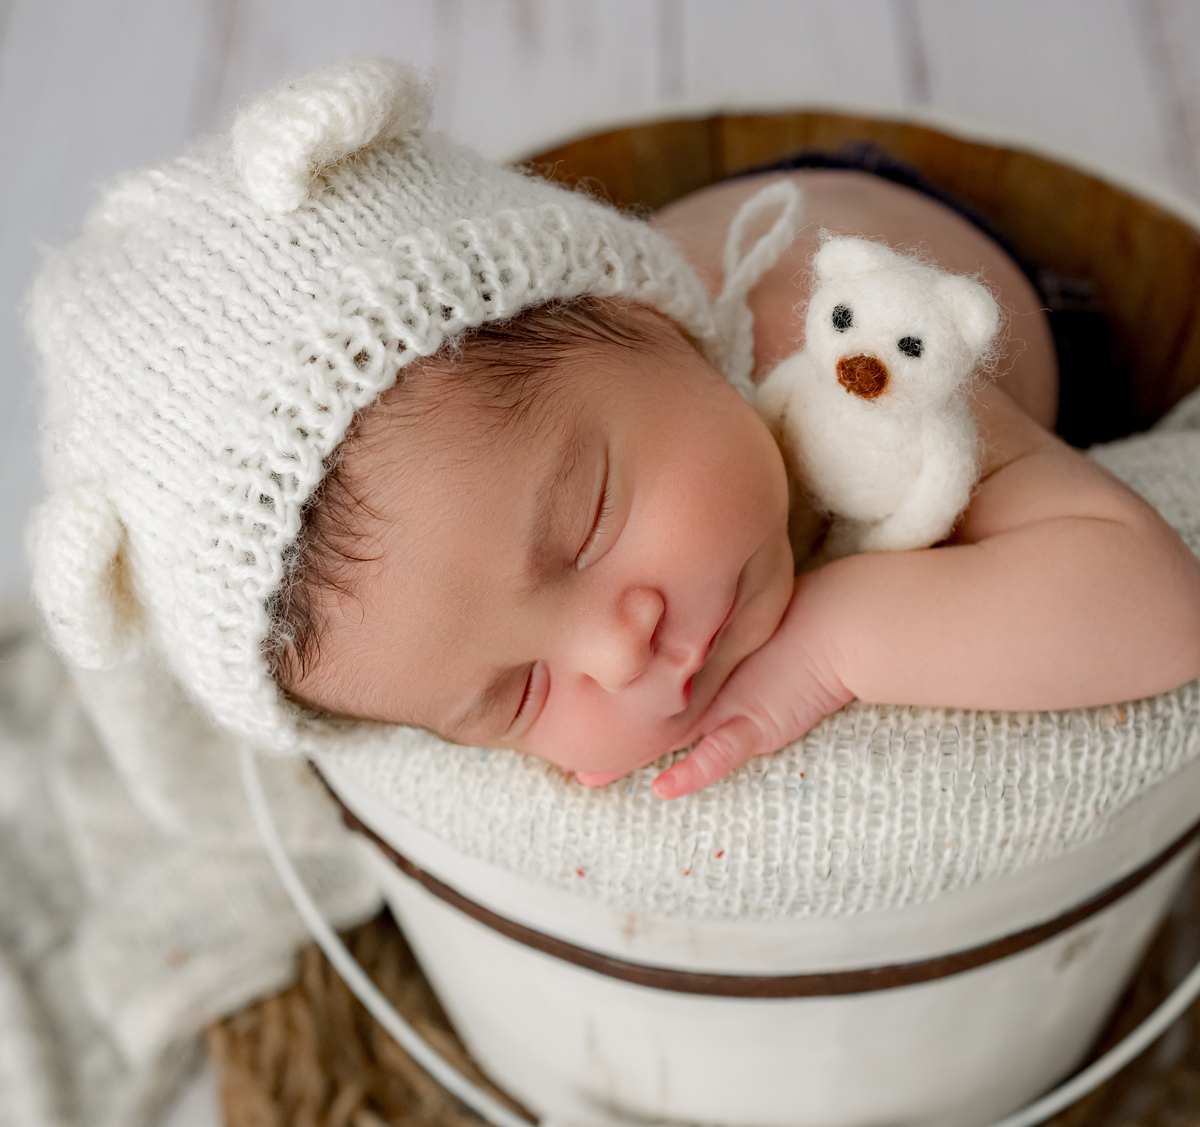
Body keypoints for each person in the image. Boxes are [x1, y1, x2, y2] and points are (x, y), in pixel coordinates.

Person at [28, 61, 1200, 803]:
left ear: (654, 318)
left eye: (586, 521)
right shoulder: (549, 490)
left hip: (964, 280)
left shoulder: (848, 350)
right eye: (515, 698)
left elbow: (1157, 607)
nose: (617, 654)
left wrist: (841, 639)